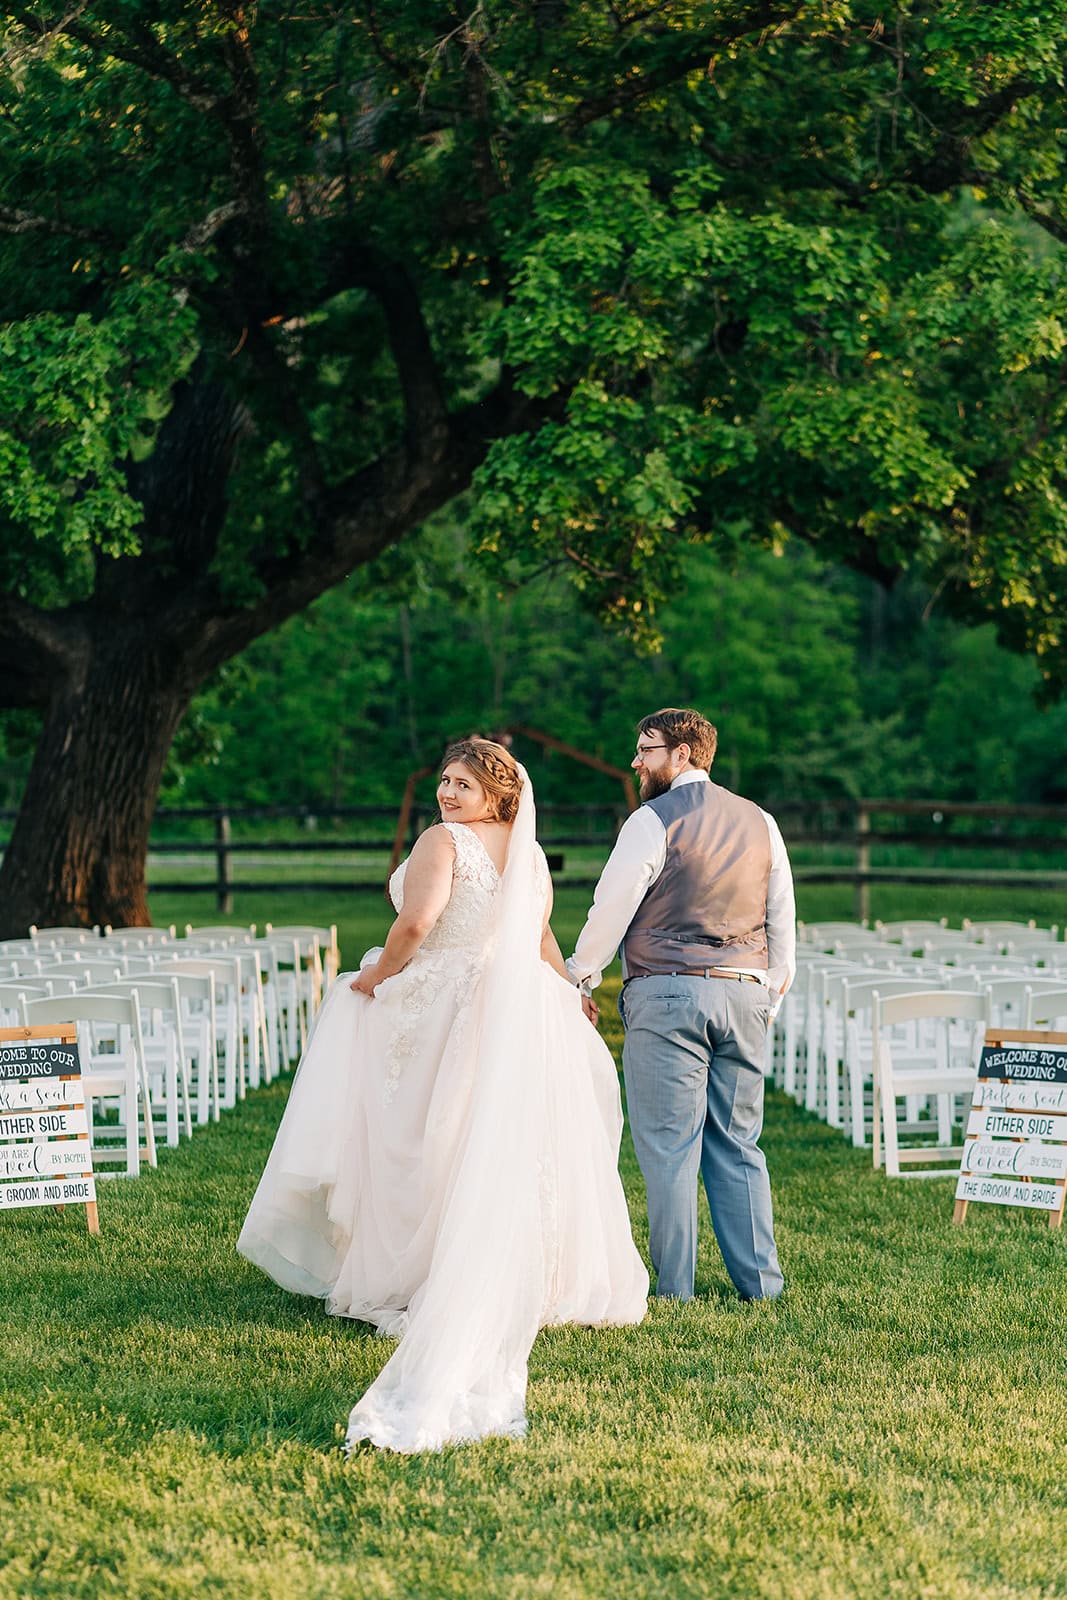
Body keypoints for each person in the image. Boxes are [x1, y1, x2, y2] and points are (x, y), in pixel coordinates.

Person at [238, 738, 648, 1453]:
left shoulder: (444, 842)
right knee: (501, 1140)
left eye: (464, 784)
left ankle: (420, 1271)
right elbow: (538, 933)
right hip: (514, 1004)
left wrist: (373, 980)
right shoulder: (525, 851)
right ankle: (528, 1275)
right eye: (445, 782)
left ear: (498, 793)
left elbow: (417, 925)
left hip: (445, 1003)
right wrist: (562, 988)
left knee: (422, 1136)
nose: (447, 794)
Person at [567, 708, 795, 1304]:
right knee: (739, 1141)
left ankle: (675, 1290)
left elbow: (611, 906)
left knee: (670, 1147)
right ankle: (761, 1287)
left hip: (667, 992)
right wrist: (769, 988)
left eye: (647, 750)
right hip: (744, 993)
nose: (636, 761)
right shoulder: (761, 821)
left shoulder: (650, 821)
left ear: (684, 754)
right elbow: (782, 913)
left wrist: (580, 976)